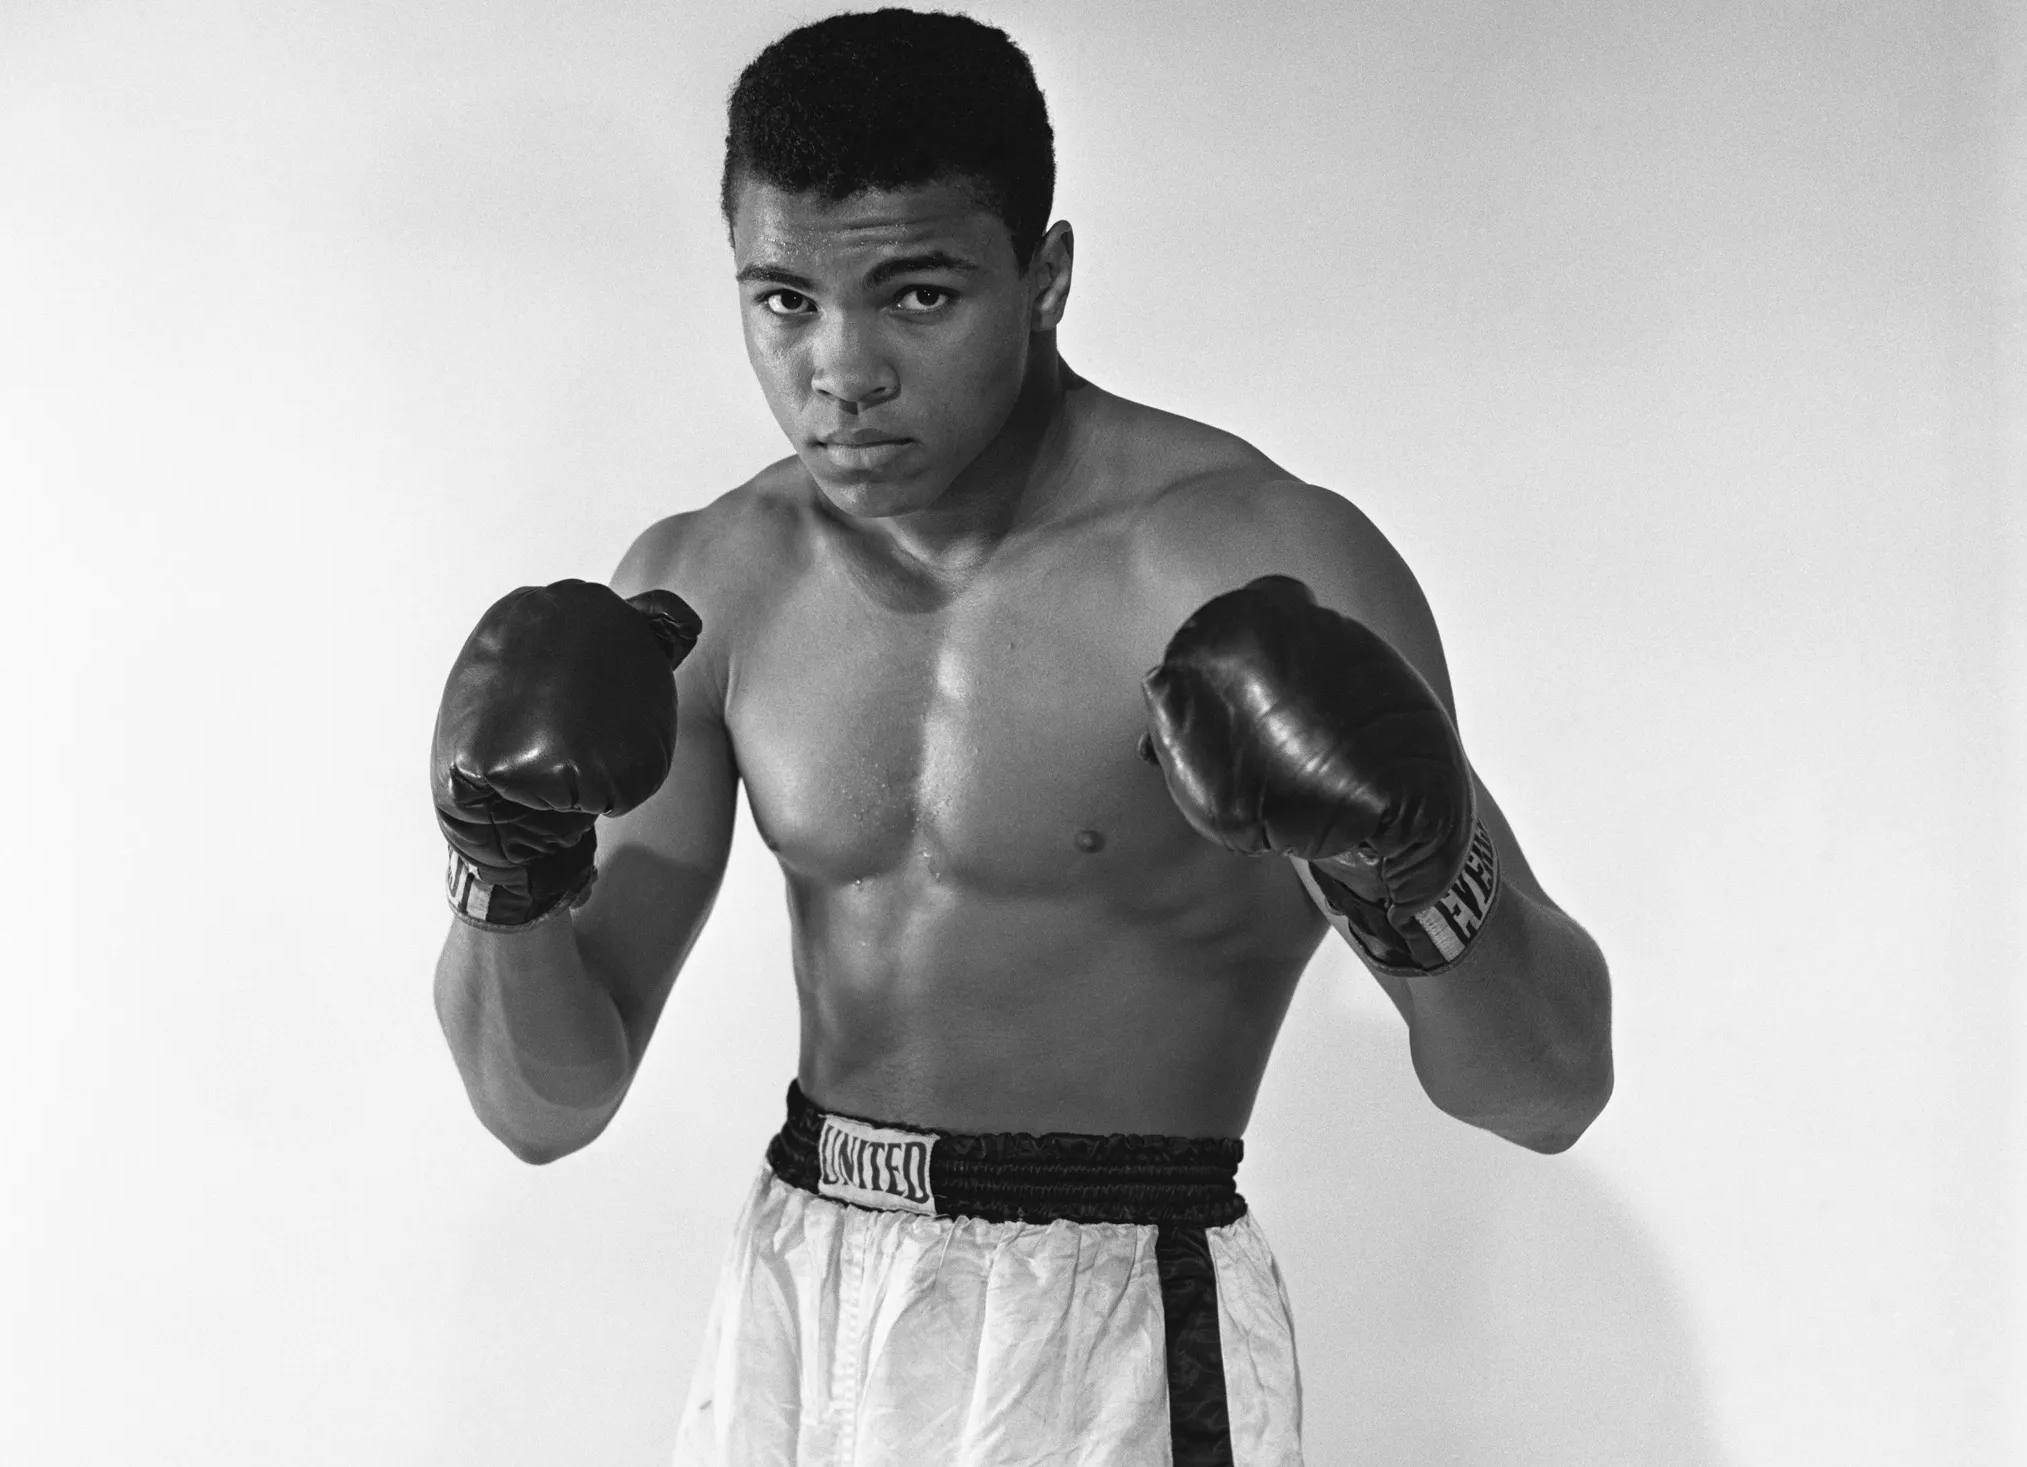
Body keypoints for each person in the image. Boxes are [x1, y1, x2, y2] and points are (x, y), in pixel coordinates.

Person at [431, 10, 1612, 1465]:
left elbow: (1549, 1084)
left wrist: (1416, 866)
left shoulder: (1252, 562)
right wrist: (506, 877)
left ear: (1044, 278)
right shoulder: (712, 585)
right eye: (784, 299)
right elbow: (543, 1105)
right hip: (799, 1299)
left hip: (1120, 1319)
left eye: (918, 297)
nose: (842, 372)